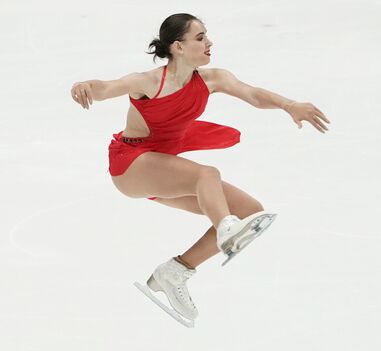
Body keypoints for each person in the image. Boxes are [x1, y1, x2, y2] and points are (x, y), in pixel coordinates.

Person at [70, 13, 330, 325]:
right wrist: (84, 85)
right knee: (207, 175)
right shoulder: (149, 82)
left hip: (165, 168)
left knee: (249, 210)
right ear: (178, 47)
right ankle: (226, 231)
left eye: (207, 36)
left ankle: (176, 271)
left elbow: (252, 94)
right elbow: (107, 87)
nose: (209, 43)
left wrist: (289, 105)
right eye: (200, 37)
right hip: (132, 164)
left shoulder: (213, 78)